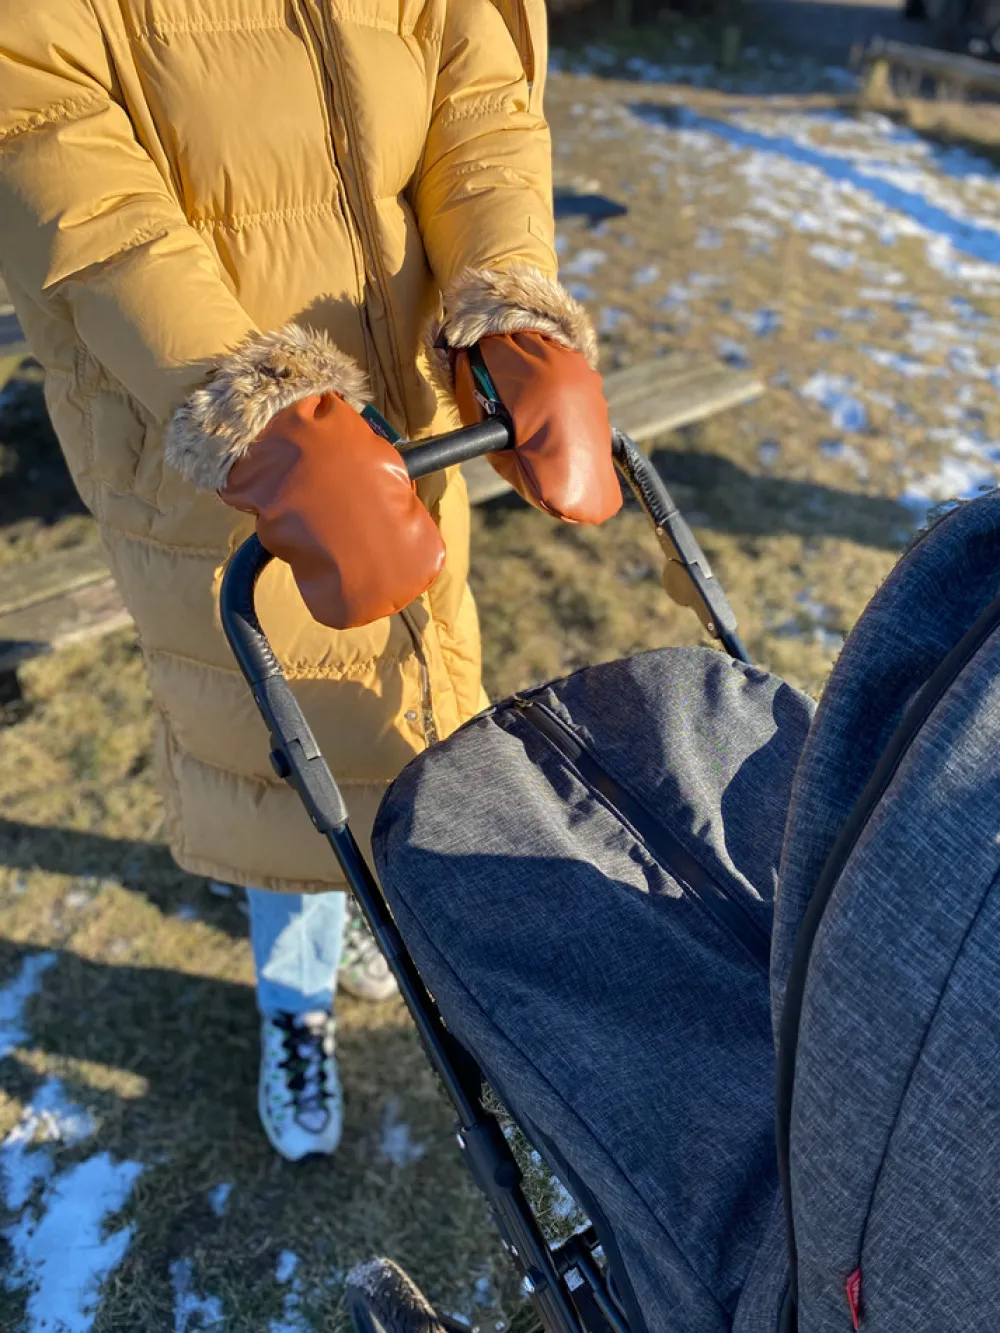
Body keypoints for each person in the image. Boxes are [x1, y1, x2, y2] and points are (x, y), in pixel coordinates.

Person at [0, 0, 620, 1161]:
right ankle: (295, 1003)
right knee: (282, 751)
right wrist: (250, 406)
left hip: (406, 425)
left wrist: (508, 295)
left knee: (412, 703)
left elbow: (474, 98)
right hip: (203, 443)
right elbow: (47, 145)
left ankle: (374, 918)